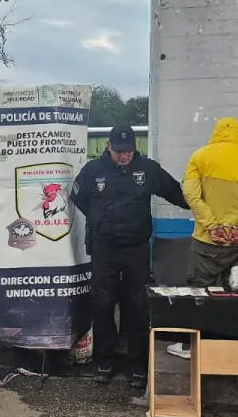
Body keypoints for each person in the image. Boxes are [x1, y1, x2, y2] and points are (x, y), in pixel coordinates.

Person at [70, 124, 190, 391]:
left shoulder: (147, 169)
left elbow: (176, 192)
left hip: (136, 248)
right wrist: (100, 220)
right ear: (108, 147)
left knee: (136, 305)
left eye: (129, 151)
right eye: (119, 151)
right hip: (104, 249)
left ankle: (137, 363)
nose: (124, 156)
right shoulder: (93, 170)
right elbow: (78, 197)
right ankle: (105, 360)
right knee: (102, 302)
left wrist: (204, 205)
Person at [167, 117, 238, 358]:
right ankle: (235, 345)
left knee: (199, 292)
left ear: (216, 132)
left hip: (207, 242)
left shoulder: (199, 158)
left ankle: (191, 346)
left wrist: (211, 226)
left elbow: (191, 196)